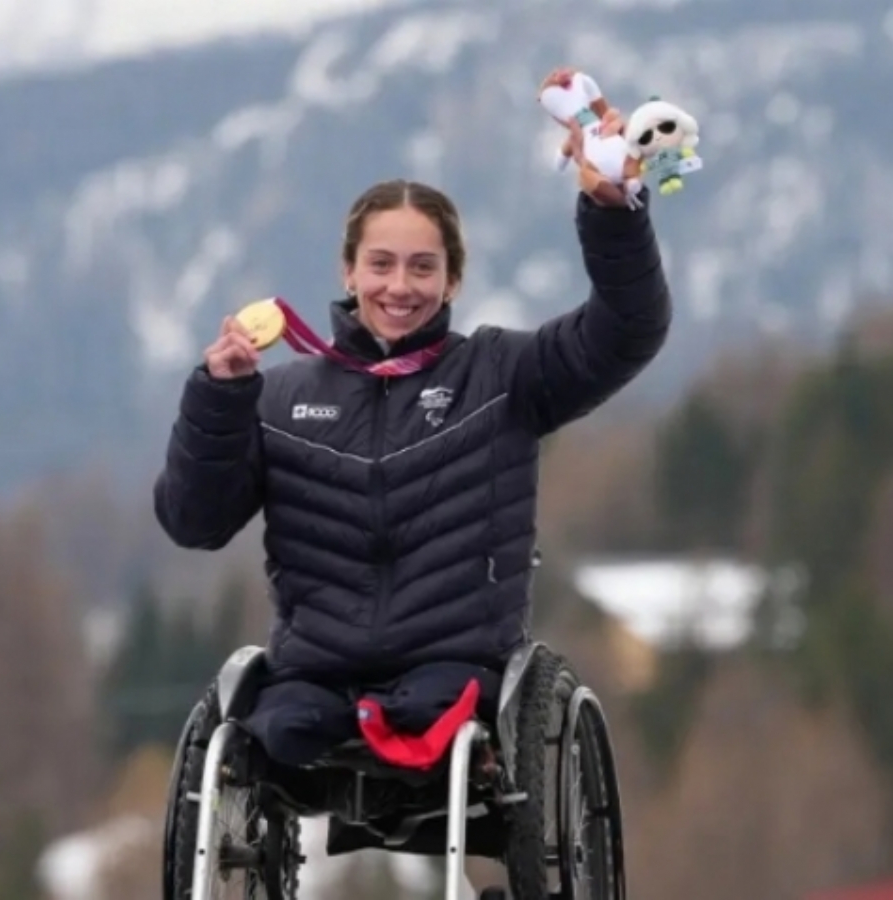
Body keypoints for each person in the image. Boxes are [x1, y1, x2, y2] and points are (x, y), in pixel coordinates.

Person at [154, 66, 671, 879]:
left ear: (453, 279)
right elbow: (193, 521)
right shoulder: (279, 398)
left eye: (423, 267)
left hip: (454, 671)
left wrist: (612, 212)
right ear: (348, 273)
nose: (401, 286)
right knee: (274, 728)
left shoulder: (504, 374)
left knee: (437, 714)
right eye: (383, 265)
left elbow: (627, 330)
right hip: (314, 675)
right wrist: (218, 402)